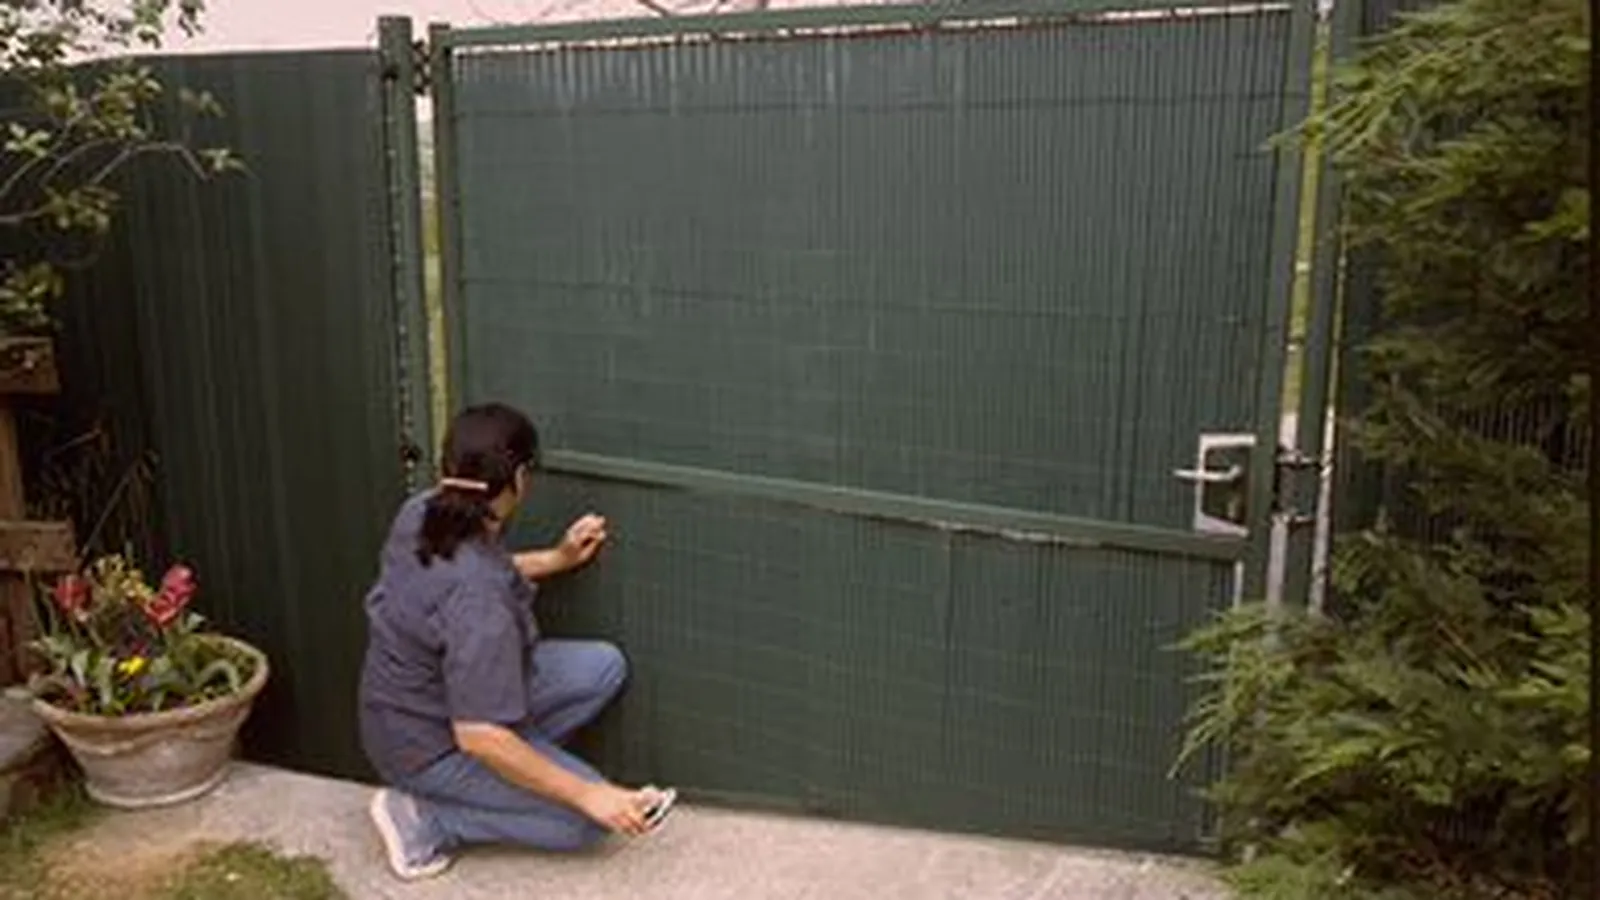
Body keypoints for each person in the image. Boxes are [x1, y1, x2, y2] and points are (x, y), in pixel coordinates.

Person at [358, 402, 674, 881]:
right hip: (428, 749)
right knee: (585, 823)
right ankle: (429, 819)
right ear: (520, 478)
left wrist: (558, 558)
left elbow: (475, 573)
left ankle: (513, 771)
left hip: (406, 708)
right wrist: (588, 794)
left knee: (601, 668)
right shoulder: (480, 605)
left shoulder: (422, 511)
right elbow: (477, 735)